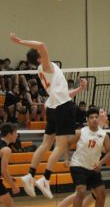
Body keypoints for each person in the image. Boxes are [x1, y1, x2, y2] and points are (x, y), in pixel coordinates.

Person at [10, 33, 87, 198]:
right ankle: (45, 179)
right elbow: (42, 45)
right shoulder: (46, 66)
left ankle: (30, 175)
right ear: (39, 59)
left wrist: (79, 90)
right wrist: (20, 41)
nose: (44, 53)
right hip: (62, 108)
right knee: (60, 145)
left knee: (46, 144)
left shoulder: (42, 70)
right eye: (41, 54)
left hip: (53, 106)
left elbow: (62, 94)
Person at [68, 107, 110, 207]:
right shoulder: (80, 132)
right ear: (87, 120)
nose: (94, 119)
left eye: (96, 117)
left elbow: (109, 152)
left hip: (93, 168)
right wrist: (66, 158)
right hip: (78, 165)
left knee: (101, 193)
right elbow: (67, 143)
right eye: (91, 117)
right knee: (81, 191)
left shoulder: (103, 135)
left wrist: (100, 163)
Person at [0, 124, 20, 207]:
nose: (17, 135)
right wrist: (13, 186)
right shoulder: (6, 149)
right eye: (15, 132)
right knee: (10, 204)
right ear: (9, 135)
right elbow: (4, 170)